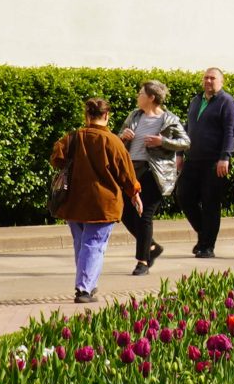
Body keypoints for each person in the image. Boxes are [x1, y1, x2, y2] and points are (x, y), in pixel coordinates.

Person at [52, 97, 142, 303]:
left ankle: (88, 284)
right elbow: (127, 175)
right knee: (94, 244)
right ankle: (84, 288)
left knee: (82, 243)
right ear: (107, 115)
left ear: (87, 115)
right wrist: (134, 194)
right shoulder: (113, 142)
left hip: (73, 201)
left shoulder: (73, 137)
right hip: (104, 203)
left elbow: (56, 158)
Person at [116, 81, 189, 276]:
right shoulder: (135, 115)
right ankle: (152, 247)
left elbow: (185, 142)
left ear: (151, 98)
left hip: (155, 173)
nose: (138, 96)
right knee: (124, 212)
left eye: (141, 93)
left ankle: (143, 262)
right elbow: (117, 138)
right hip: (133, 171)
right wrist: (124, 136)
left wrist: (162, 141)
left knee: (144, 215)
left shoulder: (169, 119)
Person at [177, 67, 234, 258]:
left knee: (211, 203)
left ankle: (207, 246)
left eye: (212, 78)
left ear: (221, 81)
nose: (208, 81)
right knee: (183, 196)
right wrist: (179, 153)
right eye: (206, 78)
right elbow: (187, 129)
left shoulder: (226, 102)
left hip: (214, 161)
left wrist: (225, 156)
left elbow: (230, 130)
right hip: (193, 159)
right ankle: (204, 234)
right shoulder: (196, 101)